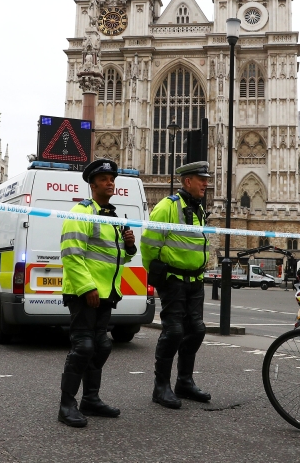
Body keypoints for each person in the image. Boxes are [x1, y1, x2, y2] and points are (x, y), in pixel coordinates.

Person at [57, 158, 137, 428]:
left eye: (112, 178)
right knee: (84, 347)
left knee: (101, 345)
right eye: (104, 179)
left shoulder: (112, 217)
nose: (110, 182)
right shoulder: (81, 212)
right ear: (92, 185)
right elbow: (71, 254)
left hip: (106, 293)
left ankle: (91, 399)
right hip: (85, 293)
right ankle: (67, 405)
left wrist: (129, 248)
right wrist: (87, 287)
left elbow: (115, 260)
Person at [141, 160, 212, 409]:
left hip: (195, 280)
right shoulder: (167, 207)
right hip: (173, 280)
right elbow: (149, 243)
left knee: (197, 330)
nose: (206, 183)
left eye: (206, 179)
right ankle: (161, 387)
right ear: (187, 181)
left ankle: (184, 382)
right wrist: (158, 272)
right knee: (174, 332)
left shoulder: (199, 208)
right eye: (201, 179)